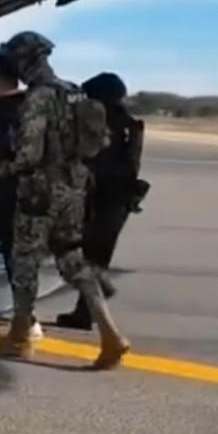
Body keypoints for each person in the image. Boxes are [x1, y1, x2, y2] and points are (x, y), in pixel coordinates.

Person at [0, 31, 130, 369]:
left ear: (23, 61)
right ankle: (110, 335)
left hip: (40, 191)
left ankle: (19, 336)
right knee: (73, 261)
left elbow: (29, 154)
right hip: (73, 189)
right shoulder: (74, 92)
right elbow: (98, 142)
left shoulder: (38, 98)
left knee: (24, 262)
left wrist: (4, 170)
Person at [54, 71, 146, 330]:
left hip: (96, 196)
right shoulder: (131, 124)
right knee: (98, 255)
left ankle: (94, 297)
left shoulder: (99, 124)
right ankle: (85, 313)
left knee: (73, 251)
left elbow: (90, 162)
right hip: (120, 198)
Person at [0, 61, 43, 341]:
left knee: (15, 259)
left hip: (12, 197)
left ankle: (26, 325)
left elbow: (6, 157)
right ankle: (26, 321)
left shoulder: (6, 114)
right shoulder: (35, 108)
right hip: (40, 196)